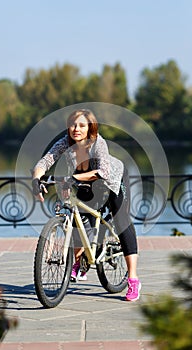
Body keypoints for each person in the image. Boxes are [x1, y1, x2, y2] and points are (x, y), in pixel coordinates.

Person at [32, 109, 141, 301]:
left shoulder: (98, 143)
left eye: (82, 125)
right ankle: (80, 261)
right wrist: (36, 180)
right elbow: (46, 161)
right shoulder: (66, 142)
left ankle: (133, 279)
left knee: (121, 220)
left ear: (90, 127)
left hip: (111, 181)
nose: (76, 129)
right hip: (83, 182)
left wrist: (71, 178)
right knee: (77, 221)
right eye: (73, 124)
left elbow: (104, 172)